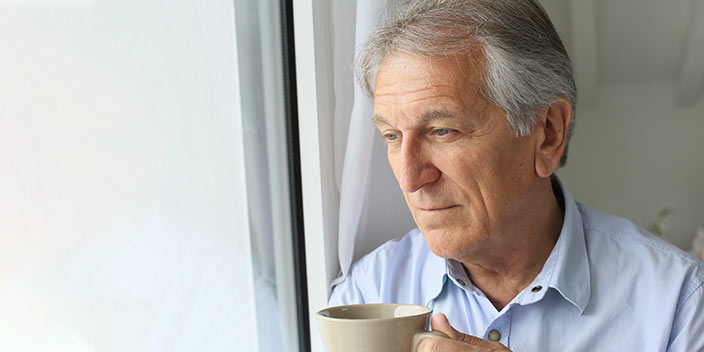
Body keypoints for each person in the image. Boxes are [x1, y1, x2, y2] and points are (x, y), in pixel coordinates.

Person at [328, 0, 704, 350]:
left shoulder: (678, 302)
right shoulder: (366, 294)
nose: (409, 178)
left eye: (443, 131)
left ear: (547, 134)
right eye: (392, 136)